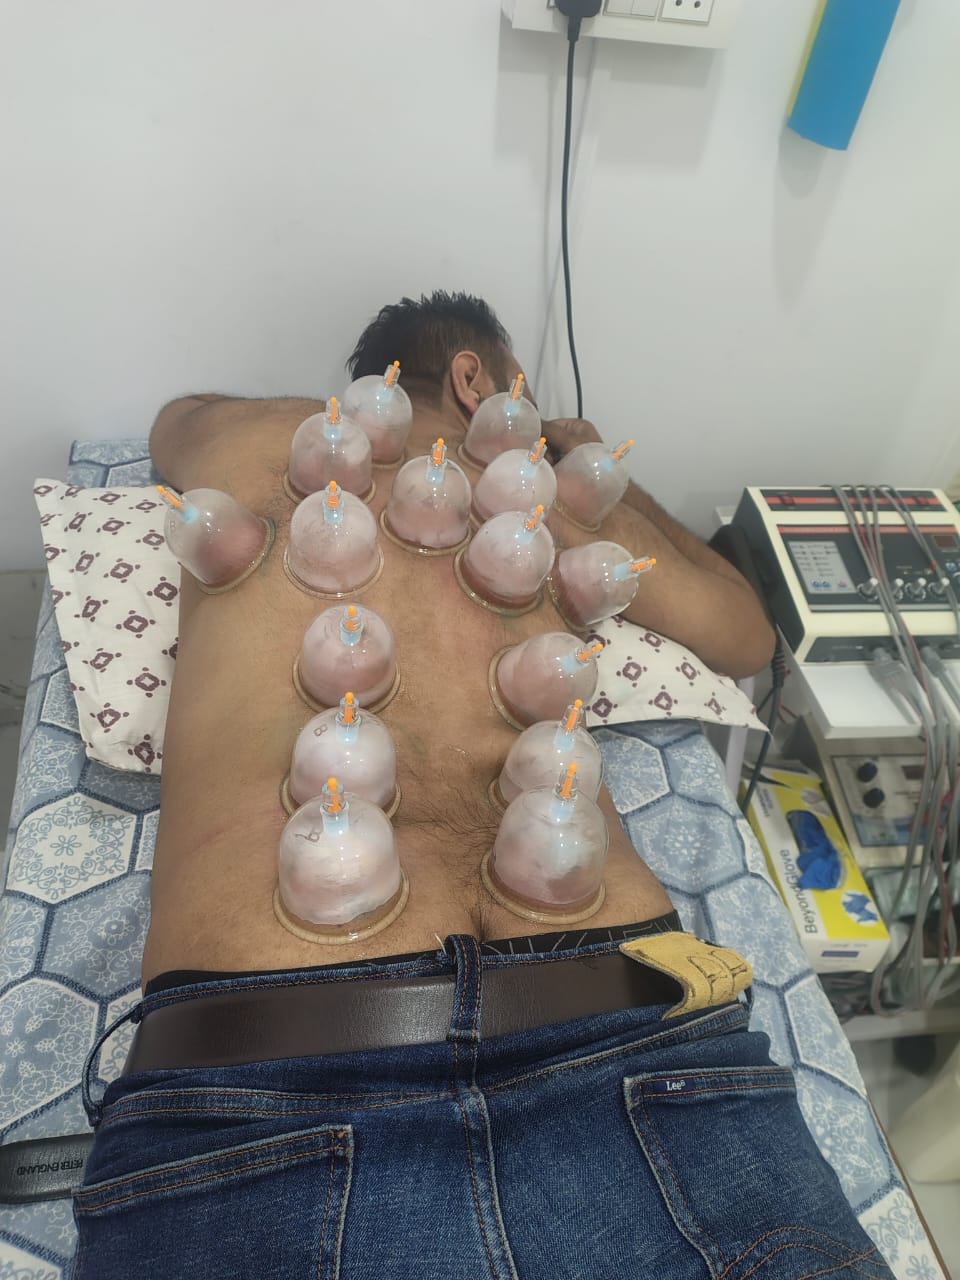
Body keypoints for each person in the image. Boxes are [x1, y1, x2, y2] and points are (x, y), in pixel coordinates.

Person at [73, 292, 892, 1279]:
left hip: (261, 1078)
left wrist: (576, 470)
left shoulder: (256, 449)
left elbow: (174, 420)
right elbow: (743, 629)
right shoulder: (536, 497)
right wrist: (583, 461)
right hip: (639, 1045)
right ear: (474, 378)